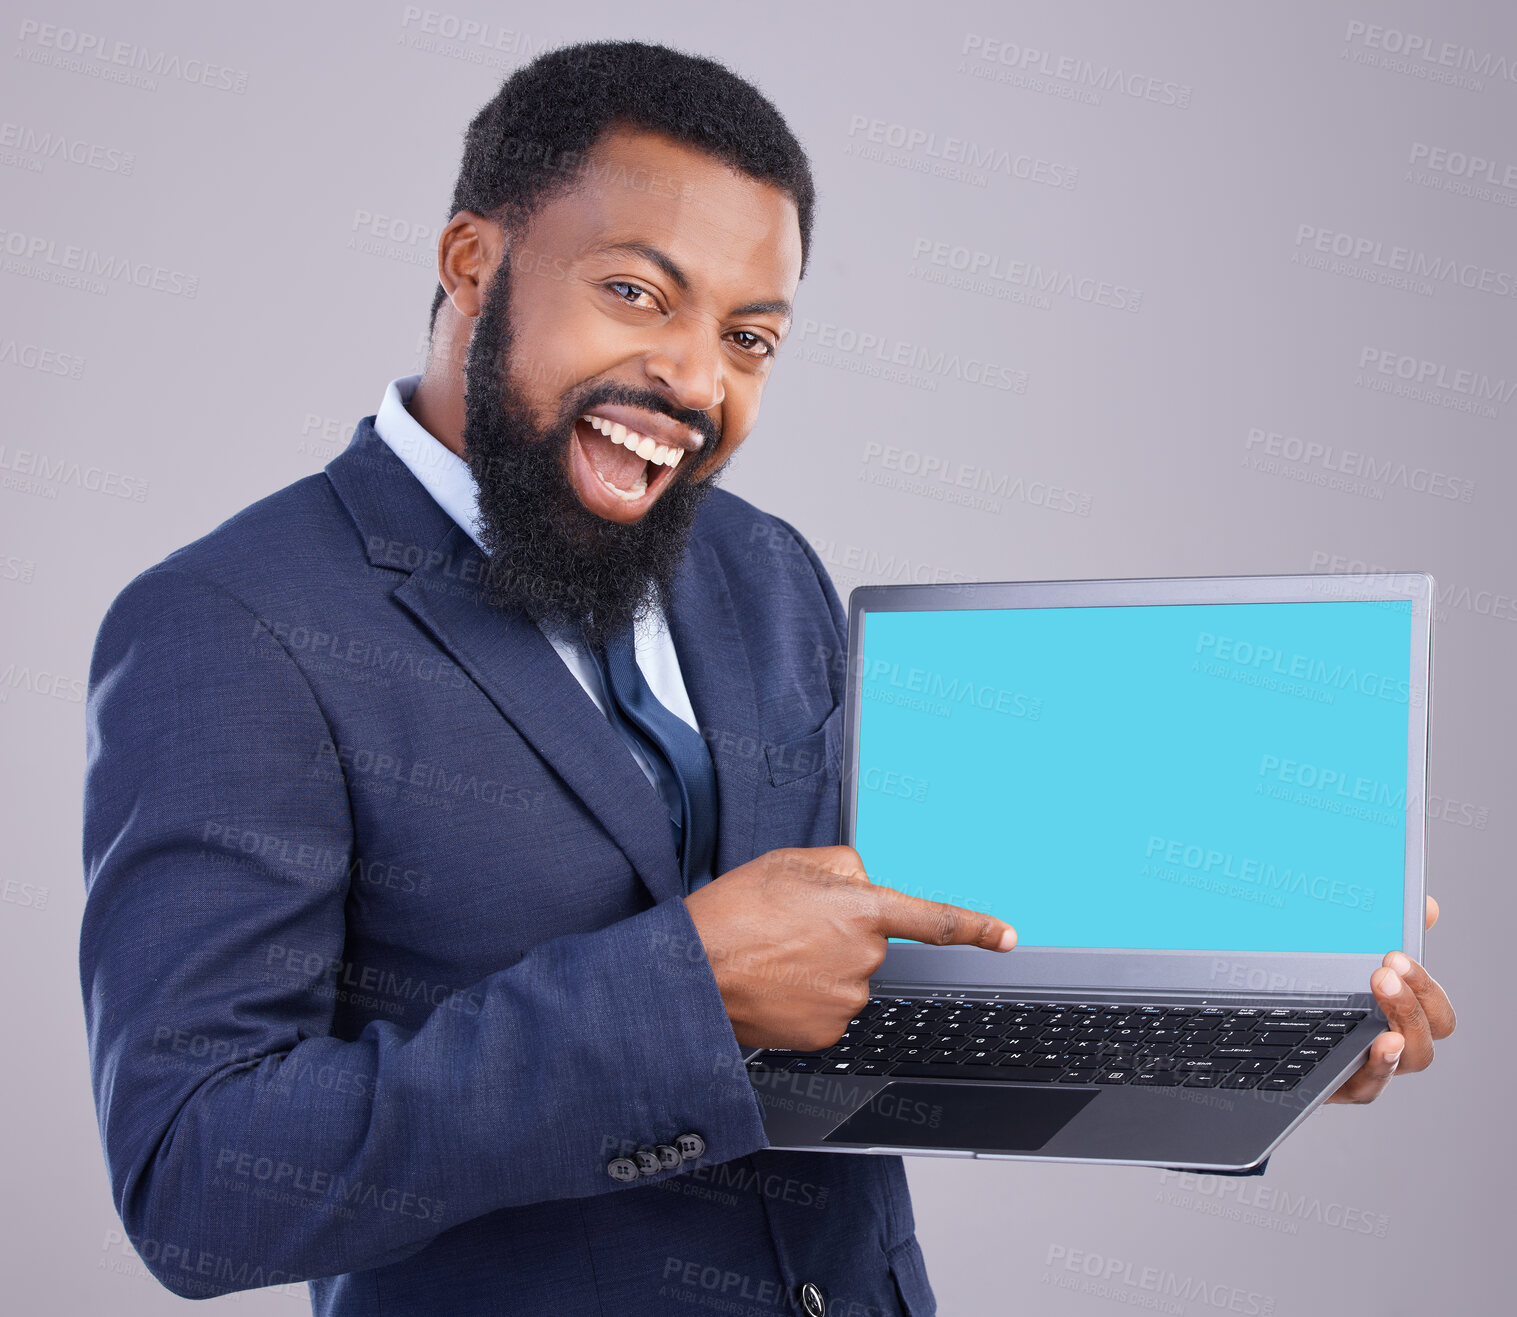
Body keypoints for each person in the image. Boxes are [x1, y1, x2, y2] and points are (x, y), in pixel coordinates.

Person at [79, 40, 1455, 1317]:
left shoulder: (755, 565)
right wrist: (684, 988)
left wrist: (1224, 1035)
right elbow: (197, 1176)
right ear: (472, 261)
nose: (691, 379)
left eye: (749, 337)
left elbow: (865, 964)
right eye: (636, 291)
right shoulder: (231, 625)